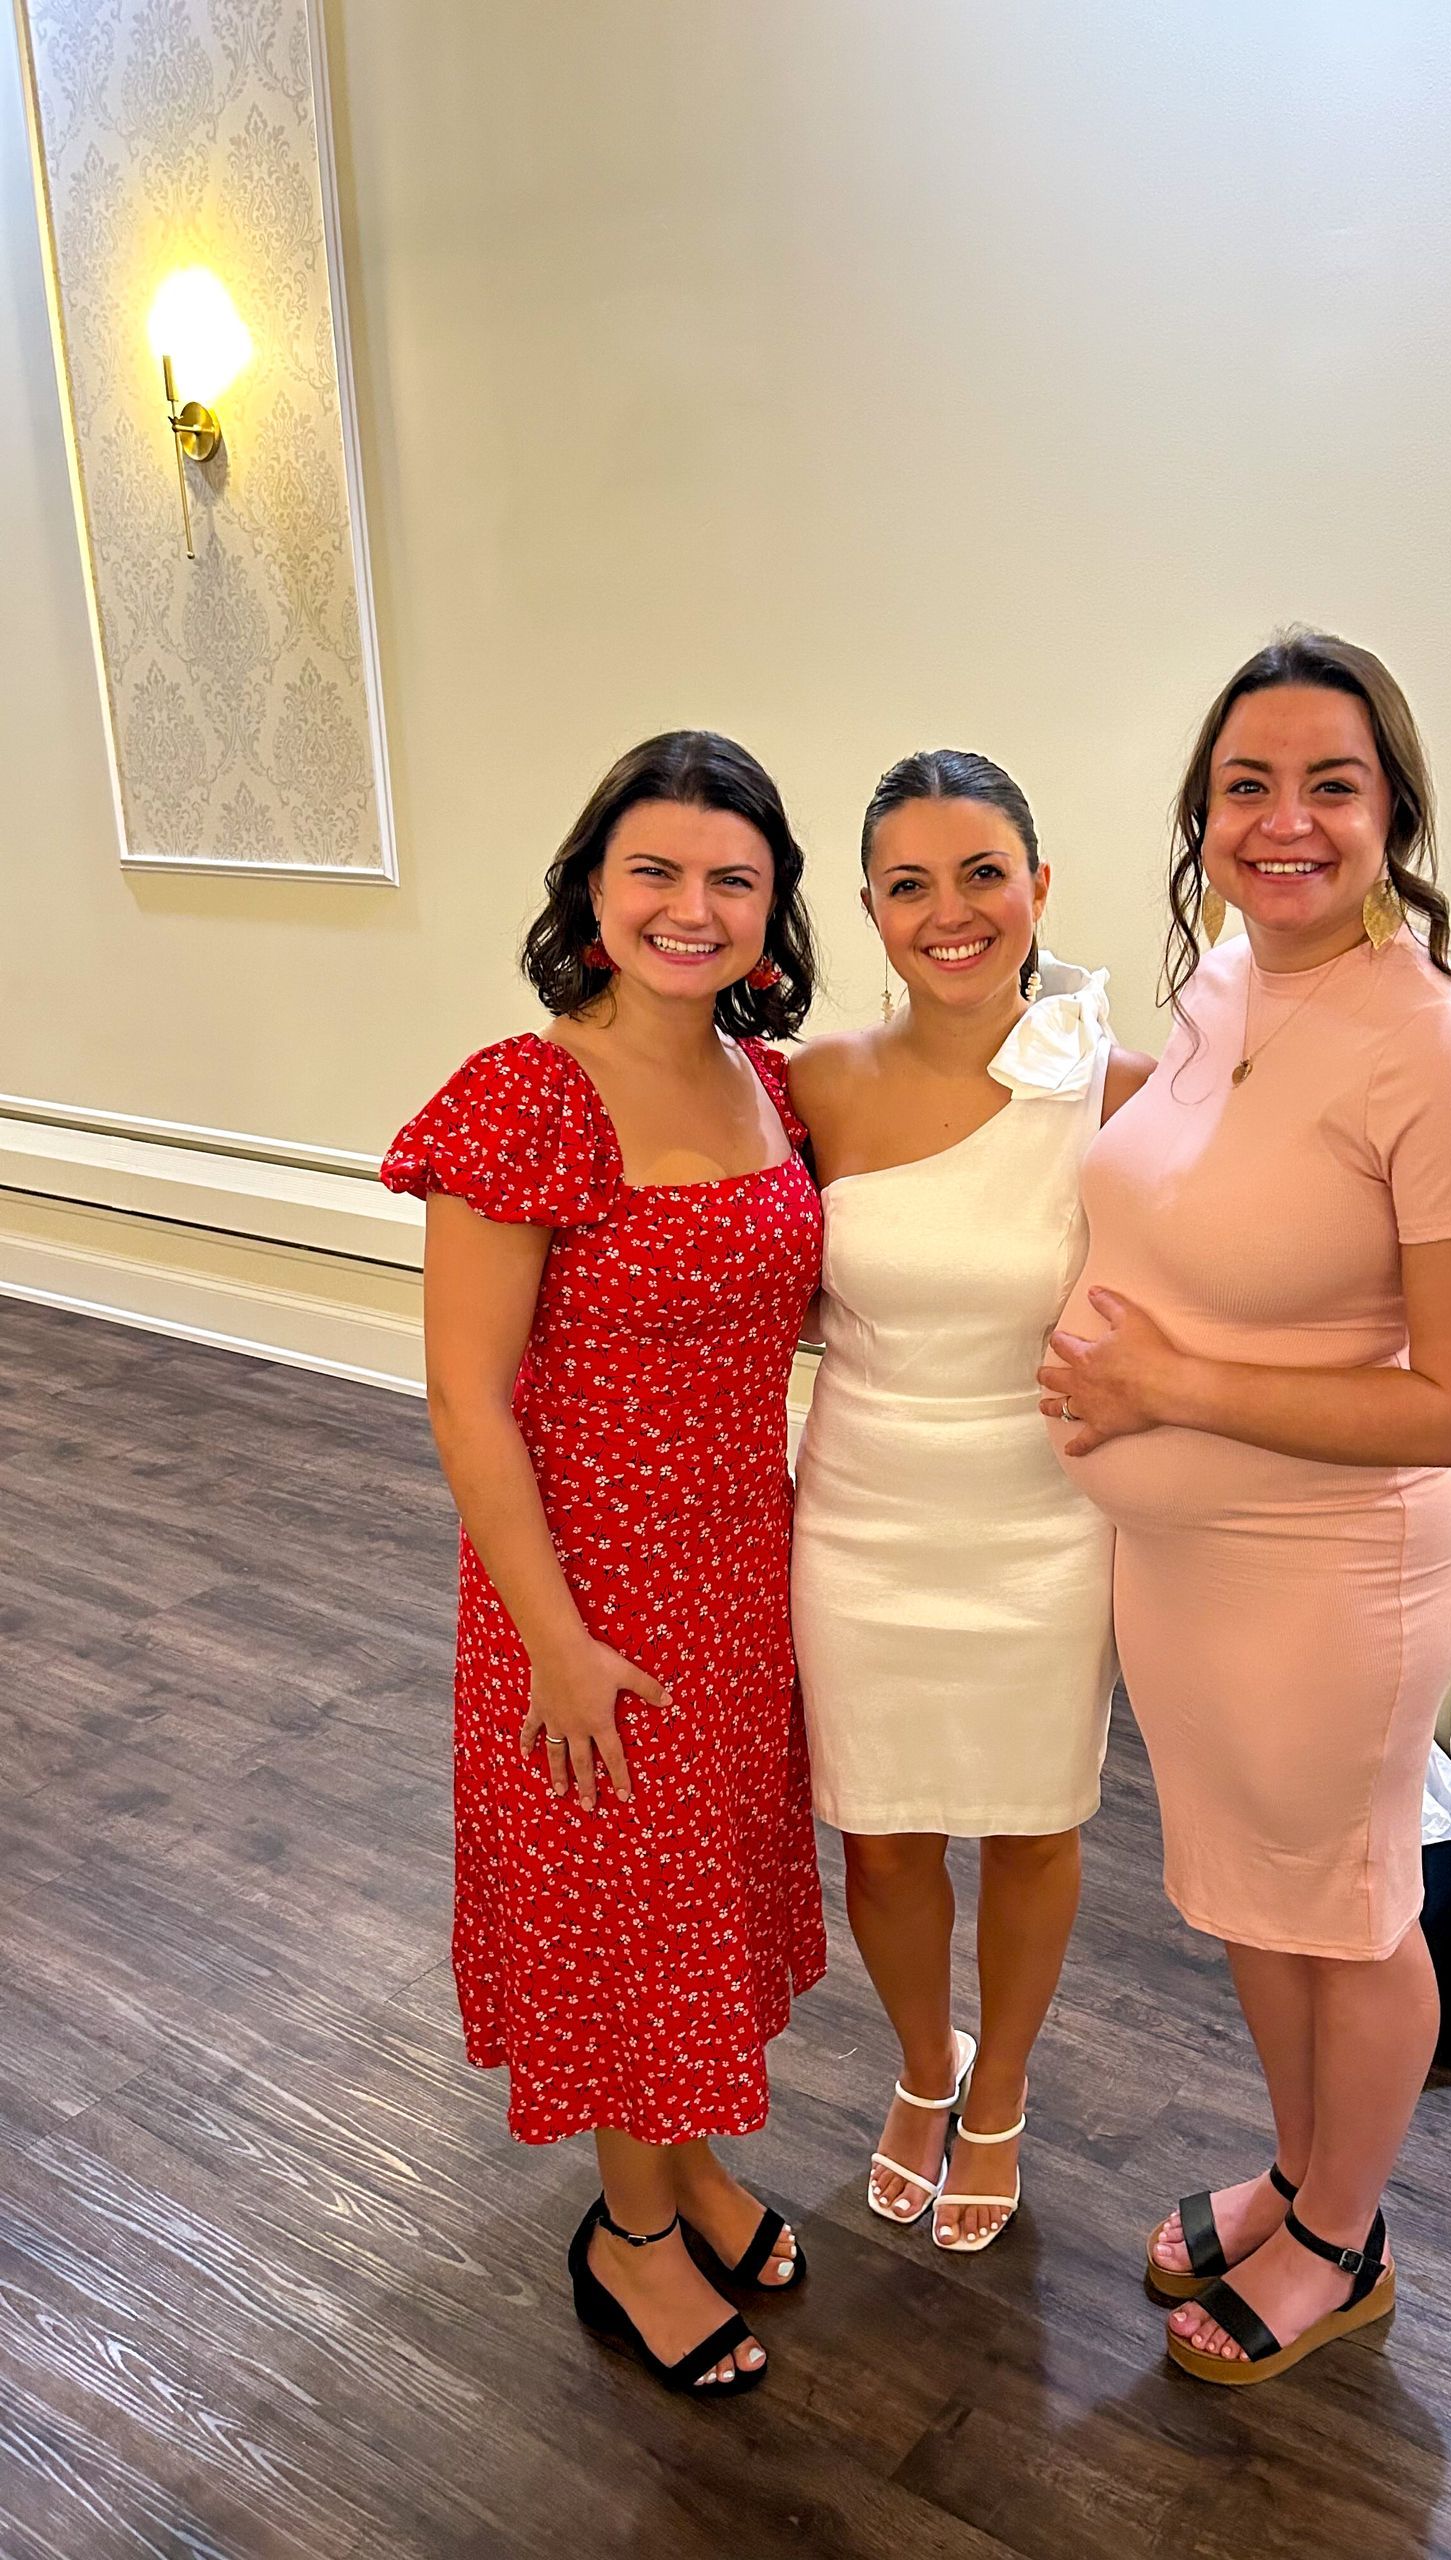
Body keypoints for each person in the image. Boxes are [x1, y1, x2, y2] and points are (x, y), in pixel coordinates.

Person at [1039, 631, 1451, 2385]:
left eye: (1330, 782)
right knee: (1258, 1898)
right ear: (1202, 817)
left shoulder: (1448, 1054)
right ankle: (1302, 2166)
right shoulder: (1230, 990)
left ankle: (1345, 2230)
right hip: (1186, 1570)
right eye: (1245, 785)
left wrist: (1168, 1389)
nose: (1285, 821)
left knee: (1347, 1905)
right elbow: (1191, 1160)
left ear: (1391, 806)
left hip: (1341, 1573)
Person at [382, 730, 826, 2399]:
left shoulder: (766, 1085)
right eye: (653, 870)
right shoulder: (526, 1096)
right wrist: (555, 1645)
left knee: (697, 1898)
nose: (689, 907)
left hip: (738, 1579)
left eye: (731, 876)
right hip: (580, 1596)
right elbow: (463, 1396)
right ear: (590, 887)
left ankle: (692, 2163)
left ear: (774, 906)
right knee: (622, 1921)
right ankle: (630, 2235)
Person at [789, 750, 1152, 2252]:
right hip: (863, 1509)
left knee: (1028, 1822)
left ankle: (997, 2089)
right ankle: (921, 2065)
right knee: (877, 1835)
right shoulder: (813, 1084)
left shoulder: (1118, 1093)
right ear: (868, 910)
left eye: (984, 874)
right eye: (910, 885)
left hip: (1042, 1519)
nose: (953, 913)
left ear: (1041, 887)